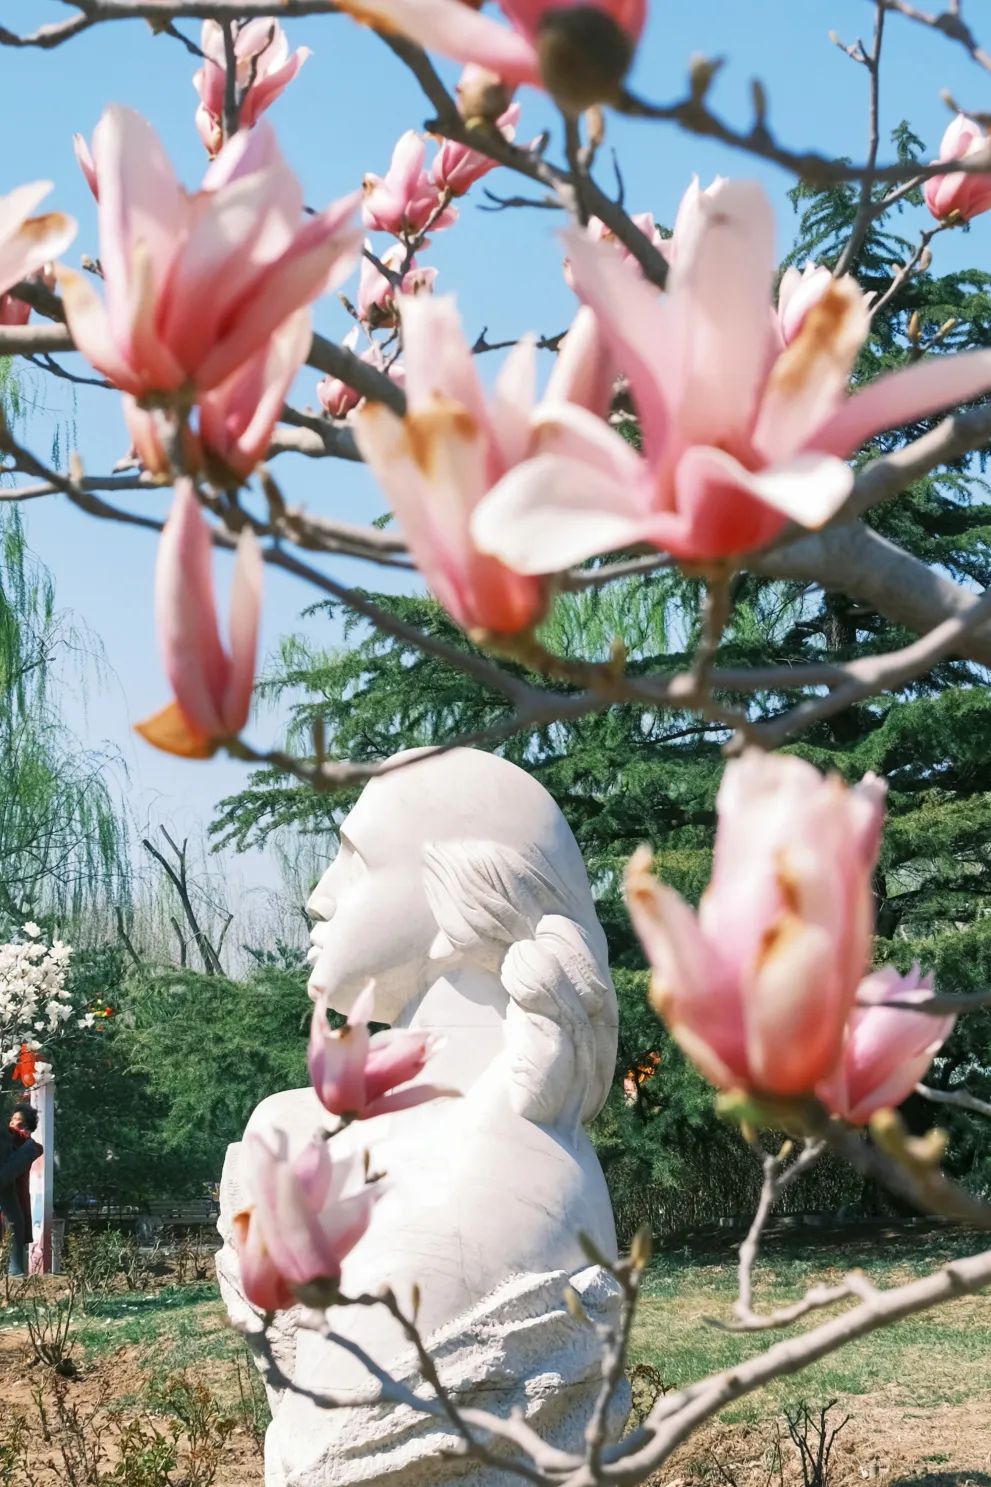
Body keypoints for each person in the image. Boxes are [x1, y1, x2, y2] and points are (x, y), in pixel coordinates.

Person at [0, 1101, 42, 1277]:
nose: (13, 1124)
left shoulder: (29, 1148)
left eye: (19, 1122)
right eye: (12, 1120)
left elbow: (6, 1175)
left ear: (28, 1128)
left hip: (13, 1207)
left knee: (13, 1262)